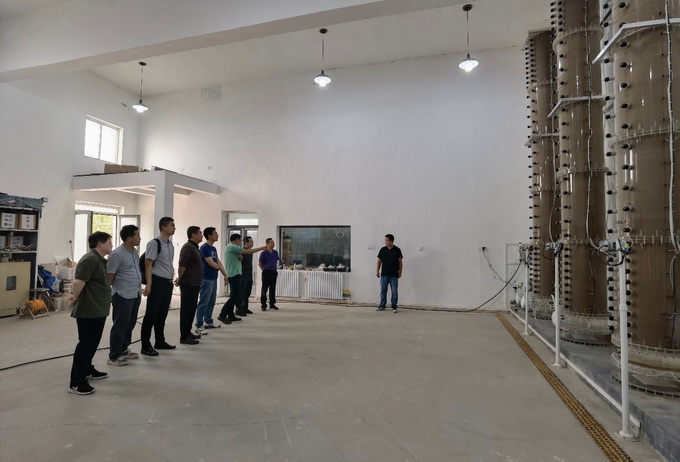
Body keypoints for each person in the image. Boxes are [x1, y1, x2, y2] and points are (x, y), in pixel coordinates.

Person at [68, 231, 113, 395]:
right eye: (109, 242)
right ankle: (76, 382)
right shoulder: (90, 259)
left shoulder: (99, 260)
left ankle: (87, 369)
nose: (111, 245)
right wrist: (74, 299)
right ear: (100, 244)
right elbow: (79, 282)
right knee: (86, 345)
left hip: (97, 309)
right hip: (89, 310)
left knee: (92, 343)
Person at [106, 225, 142, 367]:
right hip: (122, 294)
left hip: (135, 292)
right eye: (137, 235)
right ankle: (114, 356)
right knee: (120, 325)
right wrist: (108, 292)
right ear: (129, 238)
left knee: (130, 323)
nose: (139, 238)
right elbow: (110, 275)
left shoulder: (134, 252)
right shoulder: (117, 254)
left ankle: (123, 349)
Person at [140, 216, 176, 356]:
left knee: (162, 314)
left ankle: (160, 341)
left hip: (167, 283)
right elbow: (148, 264)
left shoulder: (170, 244)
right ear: (163, 227)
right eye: (172, 225)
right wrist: (149, 285)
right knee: (151, 314)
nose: (174, 228)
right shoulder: (154, 243)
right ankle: (145, 345)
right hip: (157, 282)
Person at [217, 234, 266, 325]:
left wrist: (240, 256)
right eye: (239, 240)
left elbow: (241, 256)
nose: (240, 242)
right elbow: (247, 252)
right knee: (234, 297)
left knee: (235, 295)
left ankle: (231, 315)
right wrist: (261, 248)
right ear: (236, 240)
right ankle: (222, 314)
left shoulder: (232, 248)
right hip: (234, 274)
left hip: (236, 274)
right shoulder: (232, 246)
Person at [195, 227, 228, 336]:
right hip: (206, 279)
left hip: (213, 278)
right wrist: (217, 267)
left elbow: (218, 262)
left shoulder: (213, 248)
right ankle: (199, 325)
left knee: (211, 301)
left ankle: (208, 321)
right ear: (209, 236)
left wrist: (225, 275)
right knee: (203, 302)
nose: (217, 235)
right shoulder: (204, 248)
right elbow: (211, 263)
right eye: (215, 233)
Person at [175, 226, 204, 345]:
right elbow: (182, 265)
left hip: (194, 283)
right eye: (200, 233)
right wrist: (179, 279)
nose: (202, 235)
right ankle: (184, 336)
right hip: (188, 284)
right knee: (186, 310)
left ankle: (188, 332)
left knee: (191, 309)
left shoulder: (194, 247)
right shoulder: (188, 247)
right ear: (193, 235)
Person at [376, 233, 403, 313]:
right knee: (383, 291)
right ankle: (382, 305)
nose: (385, 242)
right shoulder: (382, 250)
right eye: (385, 240)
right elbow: (379, 261)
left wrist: (400, 272)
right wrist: (377, 271)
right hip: (384, 274)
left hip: (394, 275)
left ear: (391, 241)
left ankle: (394, 306)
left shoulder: (397, 250)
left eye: (387, 240)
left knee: (394, 292)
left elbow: (400, 262)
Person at [259, 238, 280, 311]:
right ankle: (263, 305)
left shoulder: (275, 252)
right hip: (266, 271)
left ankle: (272, 304)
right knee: (264, 288)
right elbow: (260, 263)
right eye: (271, 242)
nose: (273, 244)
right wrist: (264, 269)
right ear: (267, 244)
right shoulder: (263, 253)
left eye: (273, 242)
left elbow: (276, 261)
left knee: (272, 288)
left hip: (273, 271)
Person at [236, 236, 255, 317]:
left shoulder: (250, 252)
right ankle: (239, 309)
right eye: (251, 241)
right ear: (246, 243)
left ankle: (245, 307)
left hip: (249, 273)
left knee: (247, 291)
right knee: (241, 292)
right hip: (243, 273)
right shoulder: (242, 251)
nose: (252, 243)